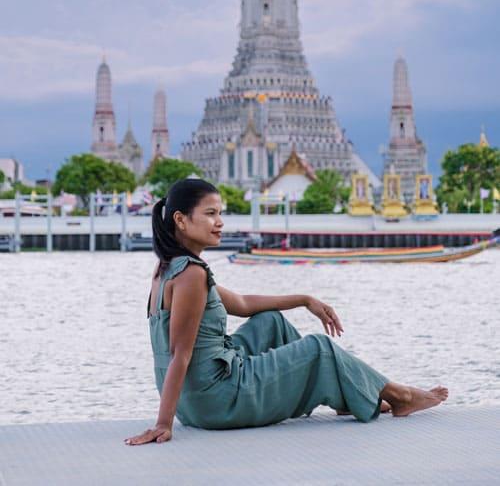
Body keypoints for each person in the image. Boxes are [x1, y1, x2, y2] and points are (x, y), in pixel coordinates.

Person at [125, 179, 448, 445]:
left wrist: (305, 299)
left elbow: (242, 304)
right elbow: (179, 353)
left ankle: (347, 391)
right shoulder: (191, 275)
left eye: (220, 213)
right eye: (210, 213)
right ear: (181, 220)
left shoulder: (171, 268)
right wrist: (163, 424)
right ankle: (402, 396)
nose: (220, 222)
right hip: (216, 401)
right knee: (318, 348)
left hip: (194, 402)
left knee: (270, 322)